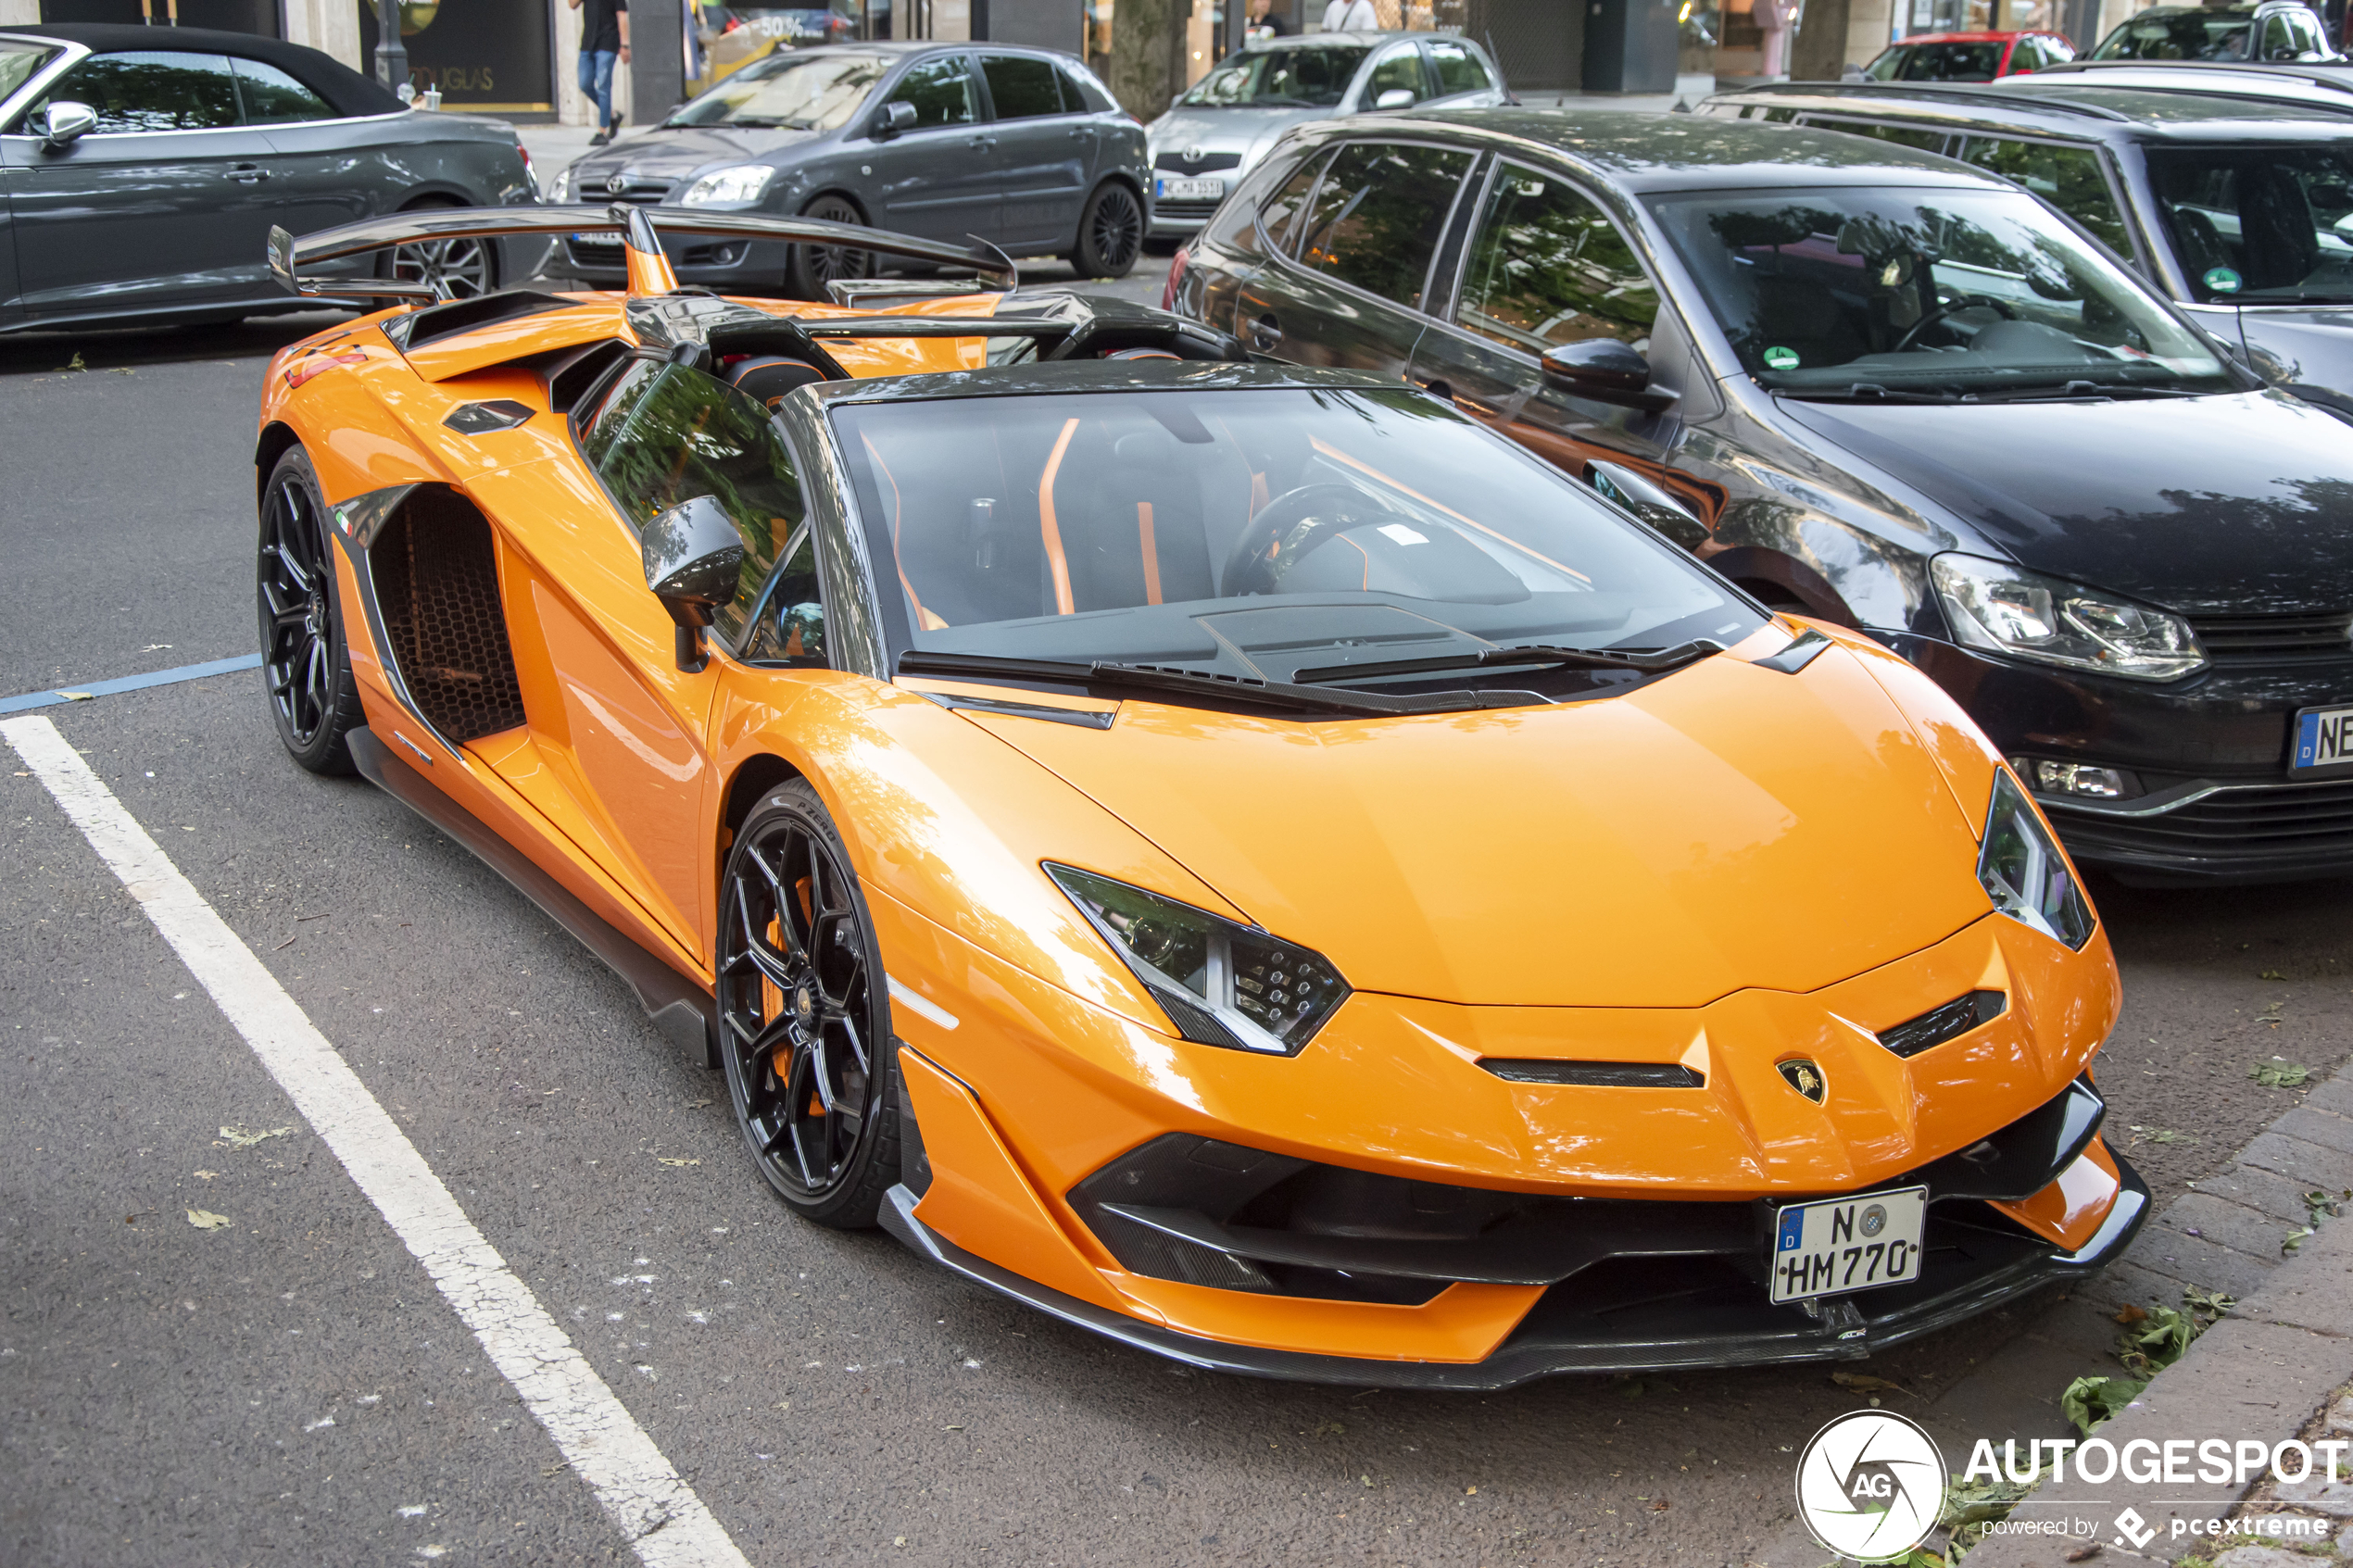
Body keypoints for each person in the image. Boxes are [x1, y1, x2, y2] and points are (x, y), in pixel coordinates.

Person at [570, 0, 630, 146]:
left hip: (608, 42)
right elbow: (572, 5)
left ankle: (603, 130)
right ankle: (612, 115)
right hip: (588, 42)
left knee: (603, 86)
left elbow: (622, 16)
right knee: (584, 84)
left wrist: (625, 45)